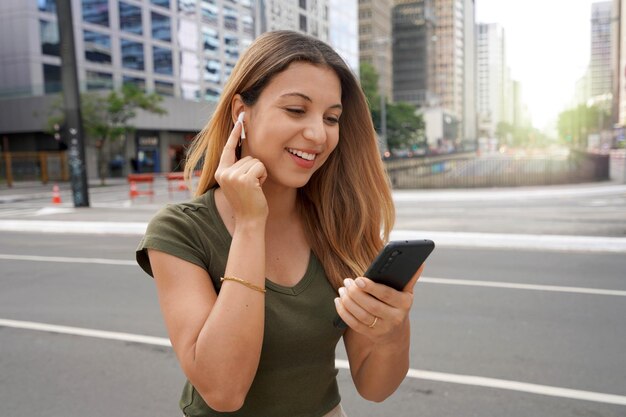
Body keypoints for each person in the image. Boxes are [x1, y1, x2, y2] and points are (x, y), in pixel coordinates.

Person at [136, 30, 424, 417]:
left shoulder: (341, 226)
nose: (318, 134)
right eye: (295, 110)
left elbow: (374, 387)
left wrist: (392, 330)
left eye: (331, 118)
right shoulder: (180, 230)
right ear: (242, 112)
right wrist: (252, 223)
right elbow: (223, 390)